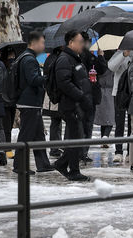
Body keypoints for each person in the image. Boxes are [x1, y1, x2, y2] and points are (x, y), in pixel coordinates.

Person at [13, 30, 56, 174]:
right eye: (42, 43)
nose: (44, 46)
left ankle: (43, 164)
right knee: (26, 135)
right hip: (29, 102)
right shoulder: (29, 59)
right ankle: (19, 166)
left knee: (38, 135)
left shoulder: (25, 57)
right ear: (35, 43)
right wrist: (47, 77)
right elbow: (33, 80)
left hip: (30, 102)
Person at [54, 30, 93, 182]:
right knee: (75, 138)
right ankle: (72, 169)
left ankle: (63, 164)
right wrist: (81, 96)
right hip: (71, 105)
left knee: (76, 137)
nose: (83, 45)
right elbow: (64, 83)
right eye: (80, 41)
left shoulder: (75, 58)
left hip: (77, 104)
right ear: (71, 42)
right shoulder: (65, 59)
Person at [80, 32, 108, 163]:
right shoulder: (88, 57)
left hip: (82, 96)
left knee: (81, 125)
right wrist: (101, 56)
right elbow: (102, 69)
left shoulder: (77, 56)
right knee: (87, 125)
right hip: (89, 95)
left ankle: (80, 151)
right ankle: (83, 152)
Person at [108, 49, 133, 163]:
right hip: (118, 92)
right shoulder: (119, 53)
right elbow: (111, 67)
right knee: (119, 123)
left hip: (132, 93)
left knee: (132, 124)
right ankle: (118, 152)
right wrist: (123, 55)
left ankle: (130, 151)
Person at [43, 47, 63, 159]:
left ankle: (55, 147)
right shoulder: (59, 59)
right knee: (57, 122)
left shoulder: (50, 59)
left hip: (51, 95)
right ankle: (56, 148)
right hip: (56, 96)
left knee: (55, 122)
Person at [94, 51, 115, 148]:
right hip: (110, 91)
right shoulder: (113, 65)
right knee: (110, 117)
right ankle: (105, 136)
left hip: (100, 91)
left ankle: (104, 137)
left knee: (104, 118)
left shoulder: (99, 65)